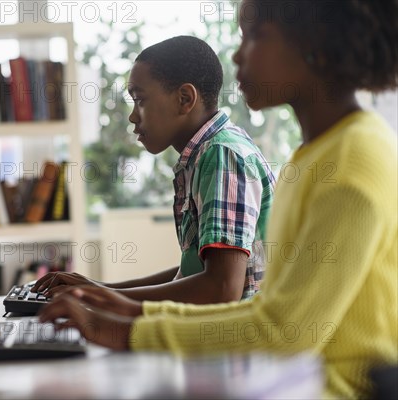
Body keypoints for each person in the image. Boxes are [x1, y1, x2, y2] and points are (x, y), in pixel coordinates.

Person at [39, 0, 398, 397]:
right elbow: (268, 312)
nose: (237, 54)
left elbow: (281, 331)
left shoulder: (351, 163)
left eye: (256, 36)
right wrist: (129, 309)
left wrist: (125, 328)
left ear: (314, 44)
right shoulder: (314, 156)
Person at [33, 35, 276, 306]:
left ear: (185, 98)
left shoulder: (222, 155)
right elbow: (194, 274)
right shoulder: (206, 154)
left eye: (140, 100)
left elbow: (221, 288)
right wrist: (98, 288)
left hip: (238, 342)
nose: (133, 116)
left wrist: (102, 298)